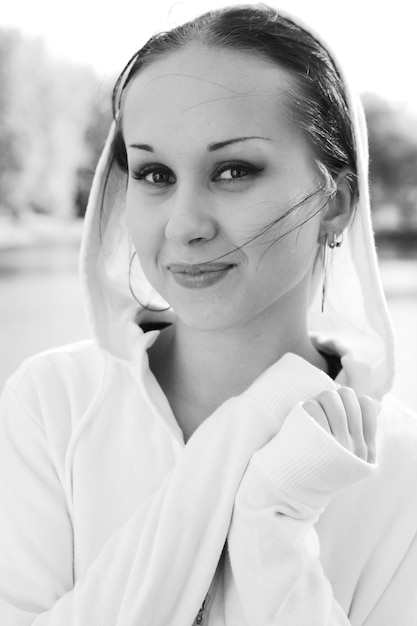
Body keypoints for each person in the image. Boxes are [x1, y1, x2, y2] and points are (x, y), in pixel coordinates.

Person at [0, 4, 416, 625]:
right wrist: (250, 424)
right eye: (155, 173)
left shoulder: (400, 467)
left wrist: (272, 525)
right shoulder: (51, 406)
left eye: (233, 170)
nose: (183, 225)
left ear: (335, 203)